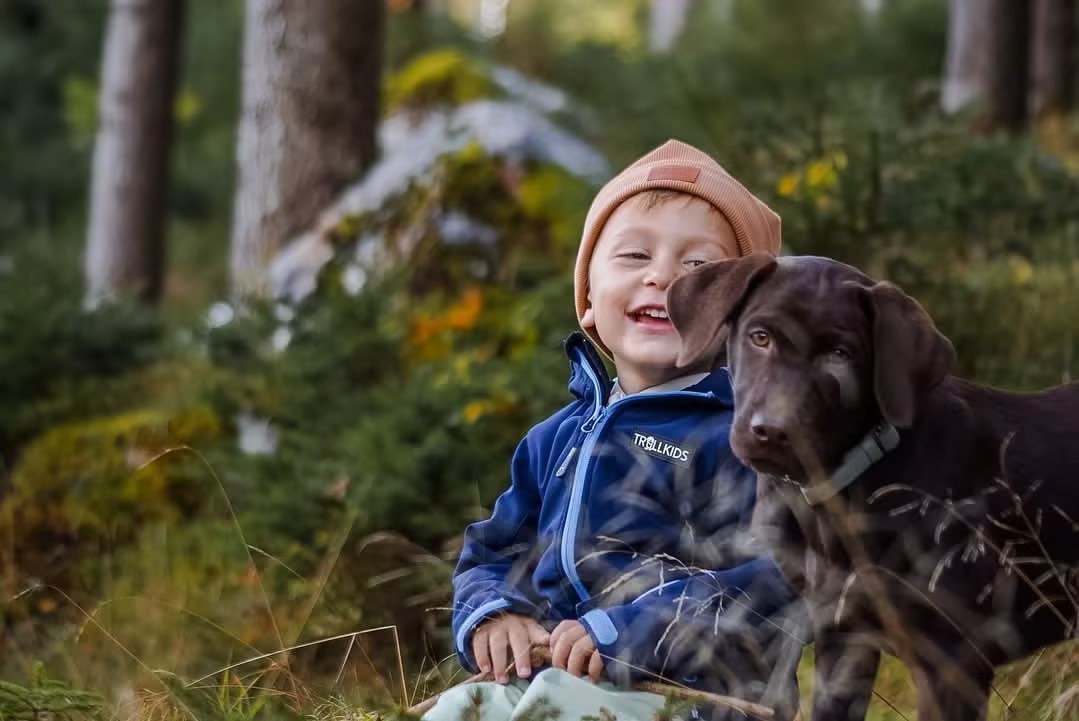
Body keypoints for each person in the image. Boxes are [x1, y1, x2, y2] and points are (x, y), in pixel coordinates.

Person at [426, 140, 802, 721]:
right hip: (549, 681)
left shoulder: (747, 439)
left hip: (690, 700)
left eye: (699, 267)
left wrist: (622, 631)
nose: (663, 276)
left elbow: (783, 578)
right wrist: (494, 614)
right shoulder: (554, 440)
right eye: (633, 255)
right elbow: (493, 553)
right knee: (458, 710)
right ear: (588, 300)